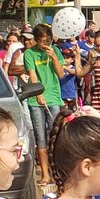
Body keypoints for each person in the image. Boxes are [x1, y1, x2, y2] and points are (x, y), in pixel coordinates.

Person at [10, 25, 64, 188]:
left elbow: (60, 74)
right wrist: (38, 93)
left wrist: (54, 57)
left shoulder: (55, 50)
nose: (44, 44)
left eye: (47, 40)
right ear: (36, 40)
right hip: (36, 99)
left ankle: (56, 172)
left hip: (53, 97)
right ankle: (45, 174)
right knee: (41, 137)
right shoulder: (29, 54)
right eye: (41, 41)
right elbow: (32, 75)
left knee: (55, 137)